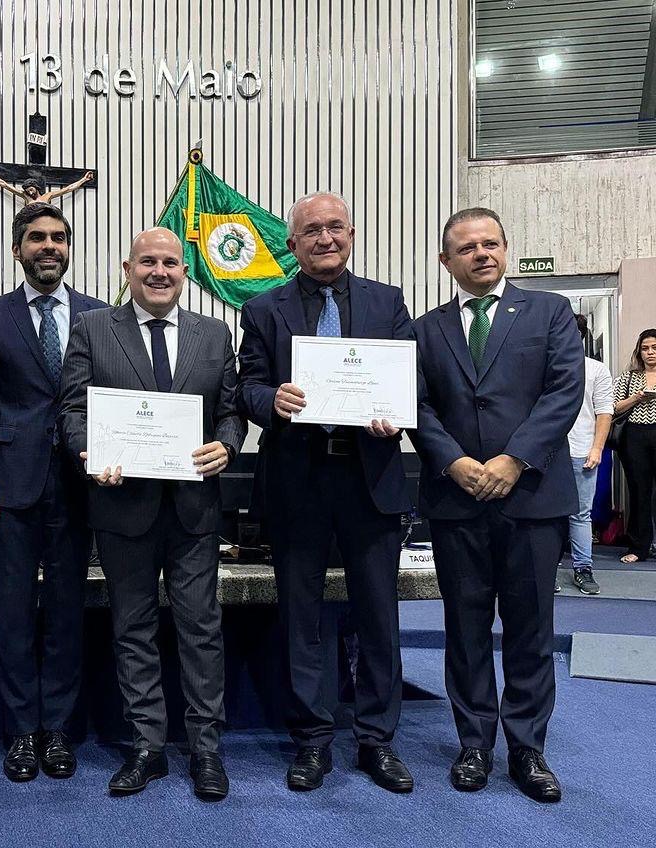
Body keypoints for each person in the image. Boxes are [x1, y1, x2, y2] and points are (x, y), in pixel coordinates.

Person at [236, 192, 415, 795]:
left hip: (371, 480)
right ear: (293, 244)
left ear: (353, 233)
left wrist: (396, 412)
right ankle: (312, 739)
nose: (324, 238)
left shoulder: (388, 303)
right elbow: (248, 387)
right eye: (311, 231)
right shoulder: (263, 308)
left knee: (377, 617)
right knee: (301, 619)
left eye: (335, 227)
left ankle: (376, 741)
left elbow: (406, 380)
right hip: (297, 482)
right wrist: (272, 403)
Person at [58, 228, 246, 801]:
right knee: (133, 629)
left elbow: (232, 411)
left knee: (201, 630)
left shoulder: (215, 335)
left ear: (183, 272)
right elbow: (73, 408)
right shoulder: (92, 329)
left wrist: (228, 445)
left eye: (170, 262)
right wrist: (89, 453)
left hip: (193, 511)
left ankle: (206, 749)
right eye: (148, 262)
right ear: (127, 268)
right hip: (121, 506)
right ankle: (148, 746)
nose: (159, 272)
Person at [411, 207, 583, 802]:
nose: (481, 254)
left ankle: (528, 748)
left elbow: (565, 389)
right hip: (457, 499)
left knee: (532, 630)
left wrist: (515, 459)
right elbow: (418, 405)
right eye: (467, 248)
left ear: (506, 249)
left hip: (531, 495)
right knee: (464, 628)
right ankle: (474, 744)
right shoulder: (424, 329)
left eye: (491, 244)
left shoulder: (550, 312)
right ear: (446, 262)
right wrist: (453, 461)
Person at [0, 202, 106, 782]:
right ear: (18, 248)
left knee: (70, 614)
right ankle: (21, 733)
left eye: (58, 238)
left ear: (69, 248)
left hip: (81, 484)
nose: (48, 246)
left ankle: (59, 731)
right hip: (8, 483)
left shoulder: (100, 314)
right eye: (36, 238)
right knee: (15, 614)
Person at [562, 314, 612, 593]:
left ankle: (583, 568)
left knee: (581, 514)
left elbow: (605, 412)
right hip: (547, 452)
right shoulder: (545, 366)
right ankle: (547, 569)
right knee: (546, 515)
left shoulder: (595, 370)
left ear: (580, 336)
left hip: (582, 450)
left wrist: (597, 448)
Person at [612, 328, 656, 564]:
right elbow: (614, 408)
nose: (650, 353)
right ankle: (639, 546)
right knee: (639, 492)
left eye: (654, 348)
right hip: (635, 436)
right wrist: (637, 398)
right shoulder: (628, 377)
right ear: (639, 351)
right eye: (645, 348)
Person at [0, 162, 94, 204]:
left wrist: (84, 179)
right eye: (27, 190)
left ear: (36, 187)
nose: (29, 192)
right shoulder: (25, 196)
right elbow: (4, 185)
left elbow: (68, 189)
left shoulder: (48, 196)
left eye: (31, 189)